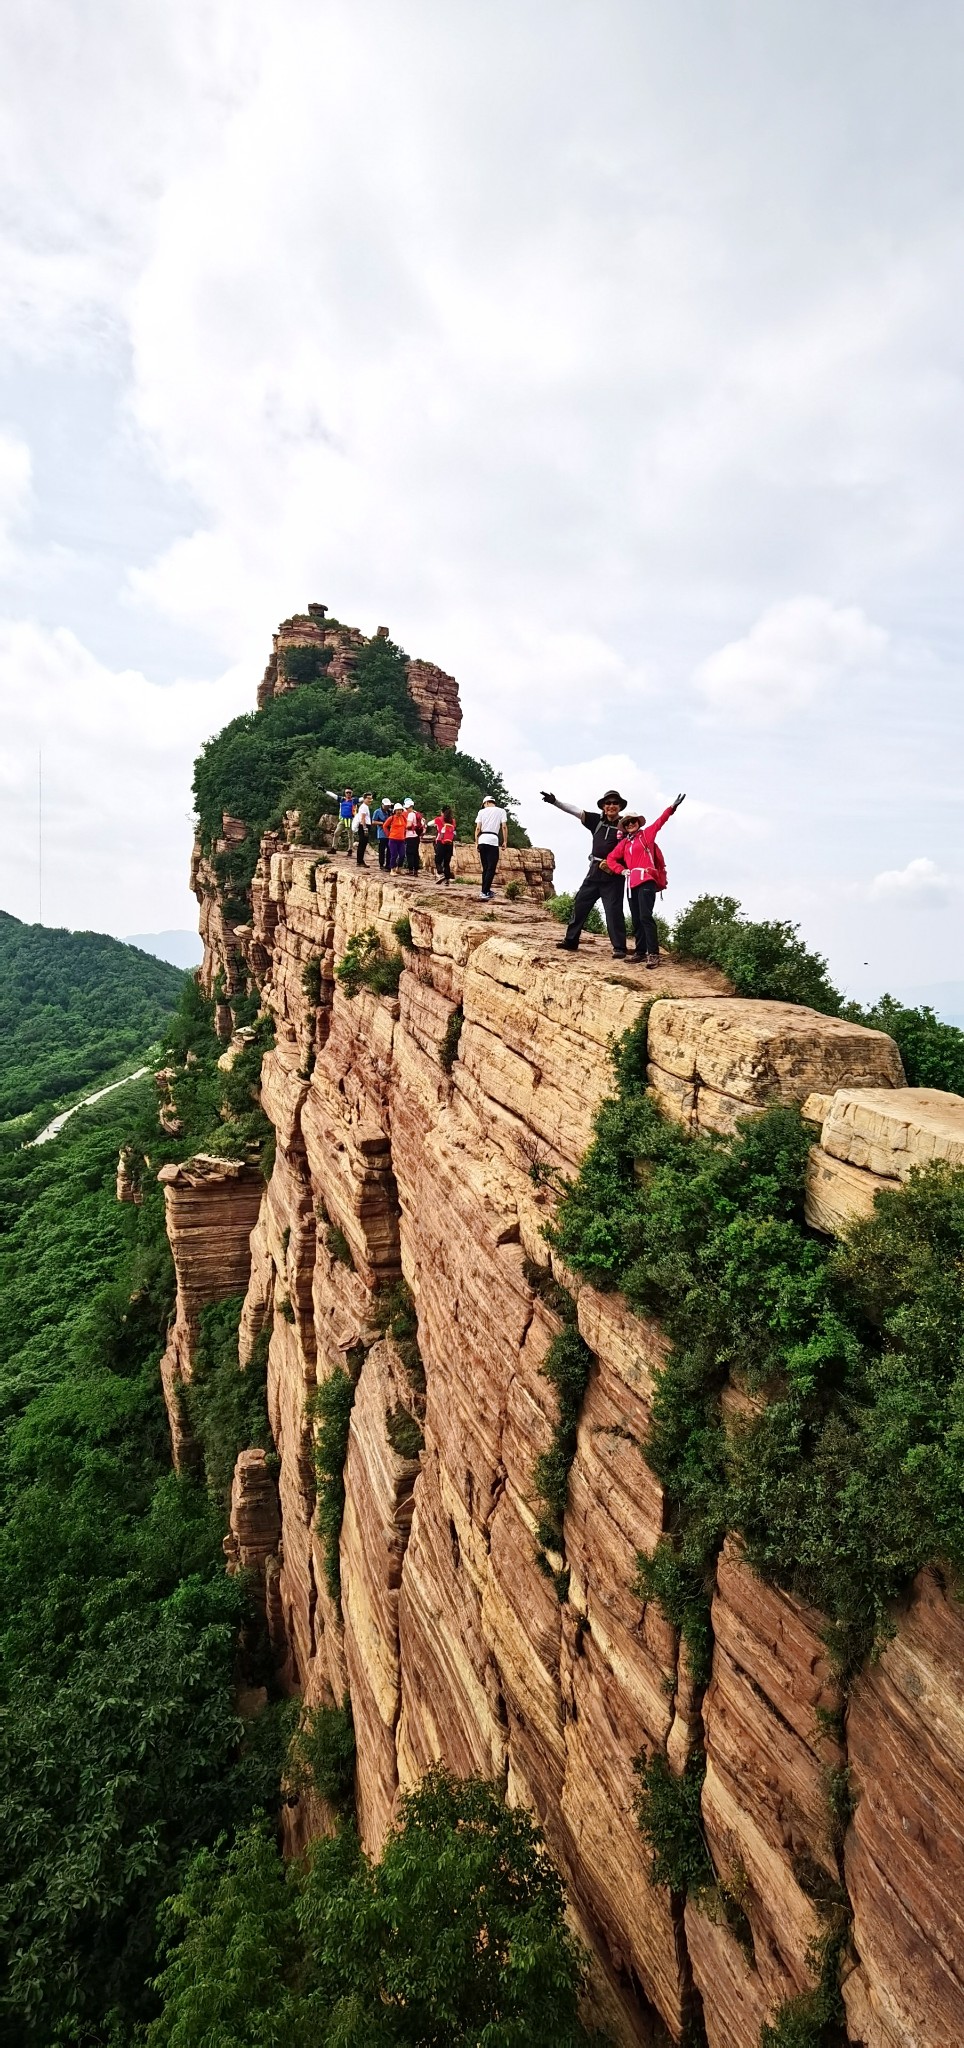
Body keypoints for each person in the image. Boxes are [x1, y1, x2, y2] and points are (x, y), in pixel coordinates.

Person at [540, 787, 630, 957]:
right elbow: (575, 811)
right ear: (603, 806)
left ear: (620, 806)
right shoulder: (596, 820)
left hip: (614, 875)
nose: (611, 806)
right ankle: (571, 940)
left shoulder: (626, 825)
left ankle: (619, 948)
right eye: (608, 803)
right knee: (580, 904)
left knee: (614, 911)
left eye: (615, 803)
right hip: (594, 872)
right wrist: (555, 801)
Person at [604, 795, 685, 967]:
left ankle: (653, 954)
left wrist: (672, 808)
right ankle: (640, 952)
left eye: (633, 821)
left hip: (647, 880)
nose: (630, 824)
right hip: (632, 883)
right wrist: (622, 870)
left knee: (645, 916)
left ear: (638, 823)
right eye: (627, 823)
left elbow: (659, 822)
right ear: (624, 827)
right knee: (636, 918)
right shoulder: (625, 843)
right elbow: (611, 859)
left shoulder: (646, 835)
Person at [474, 795, 508, 899]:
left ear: (487, 803)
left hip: (482, 840)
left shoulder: (481, 812)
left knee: (485, 868)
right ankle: (484, 892)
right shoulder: (501, 811)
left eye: (484, 804)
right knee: (491, 868)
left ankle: (485, 890)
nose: (484, 806)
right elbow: (504, 826)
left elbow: (478, 828)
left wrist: (476, 842)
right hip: (493, 840)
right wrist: (505, 841)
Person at [433, 805, 456, 885]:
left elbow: (429, 824)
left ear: (442, 812)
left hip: (440, 841)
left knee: (438, 860)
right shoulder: (453, 821)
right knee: (447, 863)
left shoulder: (438, 819)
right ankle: (447, 880)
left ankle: (441, 874)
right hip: (450, 843)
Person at [404, 797, 425, 875]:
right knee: (415, 852)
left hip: (410, 835)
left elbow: (409, 825)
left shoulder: (410, 814)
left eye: (407, 808)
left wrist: (404, 827)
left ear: (410, 807)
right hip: (416, 836)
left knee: (409, 853)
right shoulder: (417, 814)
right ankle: (416, 870)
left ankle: (410, 869)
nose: (406, 809)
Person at [353, 793, 373, 867]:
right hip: (364, 826)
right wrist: (365, 828)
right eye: (368, 798)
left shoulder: (365, 807)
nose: (369, 800)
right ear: (364, 798)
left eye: (370, 798)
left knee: (363, 844)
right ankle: (360, 861)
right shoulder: (364, 807)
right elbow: (363, 818)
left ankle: (360, 860)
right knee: (362, 844)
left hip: (365, 825)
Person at [372, 797, 392, 869]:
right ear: (382, 804)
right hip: (381, 833)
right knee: (382, 850)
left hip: (389, 833)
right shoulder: (377, 812)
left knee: (389, 849)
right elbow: (373, 821)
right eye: (386, 806)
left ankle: (388, 864)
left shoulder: (389, 812)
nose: (387, 807)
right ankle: (381, 864)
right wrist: (383, 823)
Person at [387, 802, 408, 869]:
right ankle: (392, 869)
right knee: (394, 855)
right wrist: (388, 834)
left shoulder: (403, 818)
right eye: (397, 810)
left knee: (402, 855)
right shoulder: (391, 818)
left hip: (401, 839)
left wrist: (404, 834)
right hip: (393, 839)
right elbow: (385, 826)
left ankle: (399, 868)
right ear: (395, 811)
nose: (399, 811)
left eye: (400, 810)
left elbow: (406, 826)